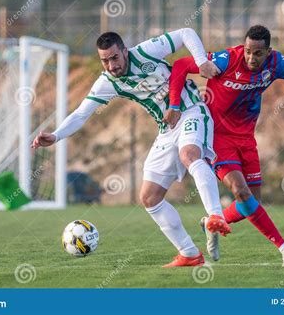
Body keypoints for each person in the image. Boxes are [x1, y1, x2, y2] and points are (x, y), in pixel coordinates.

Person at [31, 28, 231, 267]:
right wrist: (55, 135)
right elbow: (81, 114)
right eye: (104, 60)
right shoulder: (107, 81)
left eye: (114, 57)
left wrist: (201, 61)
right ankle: (189, 253)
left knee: (189, 154)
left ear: (125, 51)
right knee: (149, 197)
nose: (110, 65)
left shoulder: (146, 51)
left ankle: (216, 215)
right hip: (167, 129)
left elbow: (186, 33)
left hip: (191, 111)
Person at [165, 25, 284, 266]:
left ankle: (213, 222)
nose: (251, 58)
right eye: (248, 51)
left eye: (258, 53)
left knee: (251, 203)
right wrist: (175, 105)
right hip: (218, 138)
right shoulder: (226, 59)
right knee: (241, 192)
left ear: (268, 52)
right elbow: (180, 66)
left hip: (247, 138)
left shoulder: (277, 64)